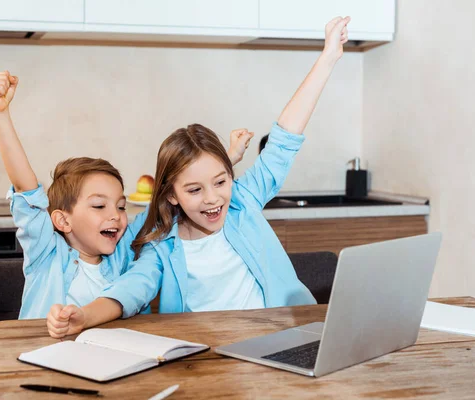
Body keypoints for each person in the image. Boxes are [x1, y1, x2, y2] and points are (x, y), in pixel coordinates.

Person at [45, 16, 351, 339]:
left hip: (285, 334)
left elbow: (284, 140)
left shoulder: (242, 201)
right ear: (171, 195)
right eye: (194, 189)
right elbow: (131, 290)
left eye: (220, 182)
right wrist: (84, 316)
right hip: (211, 355)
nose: (212, 198)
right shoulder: (162, 245)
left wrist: (328, 57)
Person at [0, 71, 253, 319]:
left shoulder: (122, 251)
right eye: (99, 206)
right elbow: (25, 187)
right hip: (47, 358)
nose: (115, 216)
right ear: (63, 221)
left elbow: (174, 200)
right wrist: (0, 113)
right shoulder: (47, 253)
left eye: (121, 206)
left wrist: (226, 161)